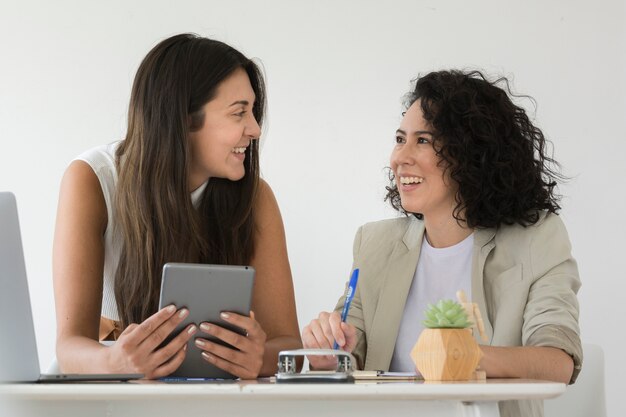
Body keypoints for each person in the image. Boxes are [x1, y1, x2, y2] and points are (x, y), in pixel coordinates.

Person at [302, 70, 582, 417]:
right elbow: (351, 355)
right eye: (400, 138)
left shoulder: (538, 239)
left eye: (423, 140)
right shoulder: (375, 244)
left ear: (471, 153)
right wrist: (329, 355)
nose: (399, 158)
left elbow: (558, 362)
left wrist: (464, 356)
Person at [53, 33, 302, 380]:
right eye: (239, 113)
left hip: (211, 389)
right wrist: (116, 362)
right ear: (183, 118)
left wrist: (259, 358)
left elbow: (290, 344)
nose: (256, 129)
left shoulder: (255, 198)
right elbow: (69, 348)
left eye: (253, 112)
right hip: (110, 383)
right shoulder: (93, 179)